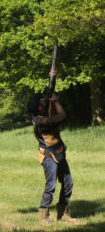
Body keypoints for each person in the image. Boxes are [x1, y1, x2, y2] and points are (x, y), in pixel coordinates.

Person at [27, 82, 77, 225]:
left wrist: (51, 88)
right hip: (49, 155)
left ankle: (63, 214)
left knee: (68, 184)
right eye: (40, 101)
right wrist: (55, 101)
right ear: (39, 108)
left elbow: (49, 107)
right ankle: (43, 217)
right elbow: (62, 116)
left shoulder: (40, 113)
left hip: (59, 152)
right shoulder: (42, 121)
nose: (42, 100)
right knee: (51, 186)